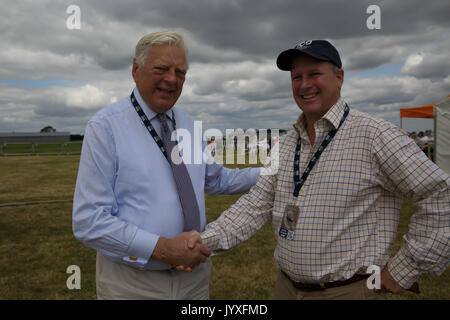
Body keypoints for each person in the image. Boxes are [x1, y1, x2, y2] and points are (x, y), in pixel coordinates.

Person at [186, 40, 450, 300]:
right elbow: (255, 205)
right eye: (296, 77)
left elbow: (441, 196)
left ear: (339, 78)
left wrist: (404, 269)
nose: (304, 85)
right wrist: (203, 241)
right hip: (287, 288)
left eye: (314, 74)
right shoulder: (288, 143)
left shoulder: (374, 135)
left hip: (349, 290)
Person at [72, 31, 260, 300]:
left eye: (180, 72)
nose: (172, 79)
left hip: (194, 278)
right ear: (136, 70)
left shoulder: (188, 124)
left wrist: (274, 171)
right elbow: (88, 221)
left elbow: (216, 180)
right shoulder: (105, 128)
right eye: (161, 69)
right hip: (133, 283)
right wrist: (161, 249)